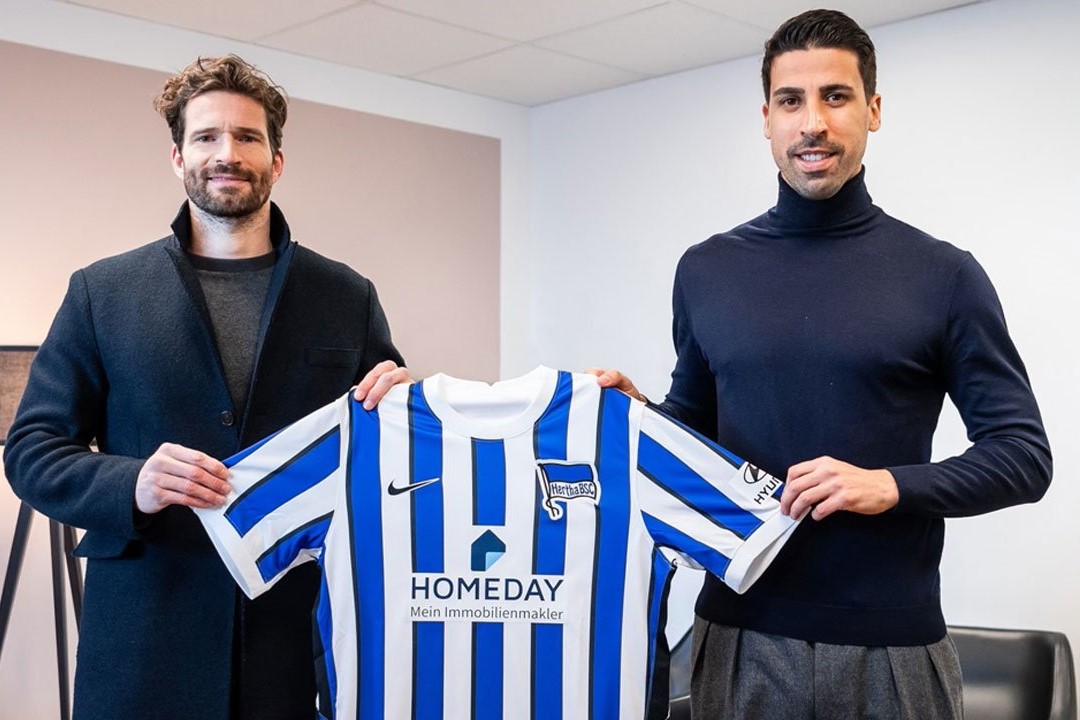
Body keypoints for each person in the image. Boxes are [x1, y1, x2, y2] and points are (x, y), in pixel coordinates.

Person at [594, 9, 1052, 719]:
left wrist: (888, 485)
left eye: (835, 96)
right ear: (767, 119)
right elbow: (696, 431)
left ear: (873, 110)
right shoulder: (707, 270)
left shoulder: (944, 275)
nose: (813, 122)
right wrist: (641, 417)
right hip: (737, 633)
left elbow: (1023, 456)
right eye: (791, 100)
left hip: (891, 647)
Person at [4, 55, 409, 720]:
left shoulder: (347, 296)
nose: (228, 153)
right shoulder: (102, 292)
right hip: (143, 640)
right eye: (207, 137)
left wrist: (403, 407)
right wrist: (133, 482)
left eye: (248, 137)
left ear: (277, 161)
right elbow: (33, 452)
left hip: (297, 638)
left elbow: (386, 458)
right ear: (178, 157)